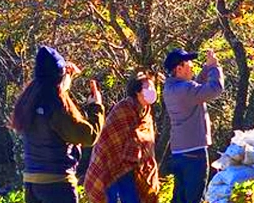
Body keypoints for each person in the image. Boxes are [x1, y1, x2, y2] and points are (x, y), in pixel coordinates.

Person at [11, 45, 106, 203]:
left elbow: (56, 92)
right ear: (58, 77)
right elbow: (89, 136)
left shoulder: (29, 100)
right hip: (57, 184)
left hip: (32, 183)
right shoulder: (56, 106)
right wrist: (96, 107)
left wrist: (67, 77)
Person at [84, 73, 160, 203]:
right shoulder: (123, 109)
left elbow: (146, 145)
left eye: (153, 87)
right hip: (111, 166)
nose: (152, 90)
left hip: (133, 169)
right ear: (137, 91)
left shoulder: (146, 113)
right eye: (148, 87)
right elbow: (110, 140)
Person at [162, 48, 224, 203]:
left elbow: (196, 87)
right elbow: (215, 89)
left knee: (180, 198)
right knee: (194, 198)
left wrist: (207, 68)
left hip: (179, 153)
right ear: (179, 68)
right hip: (194, 152)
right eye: (188, 62)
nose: (192, 66)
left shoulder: (171, 88)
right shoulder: (185, 90)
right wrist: (214, 67)